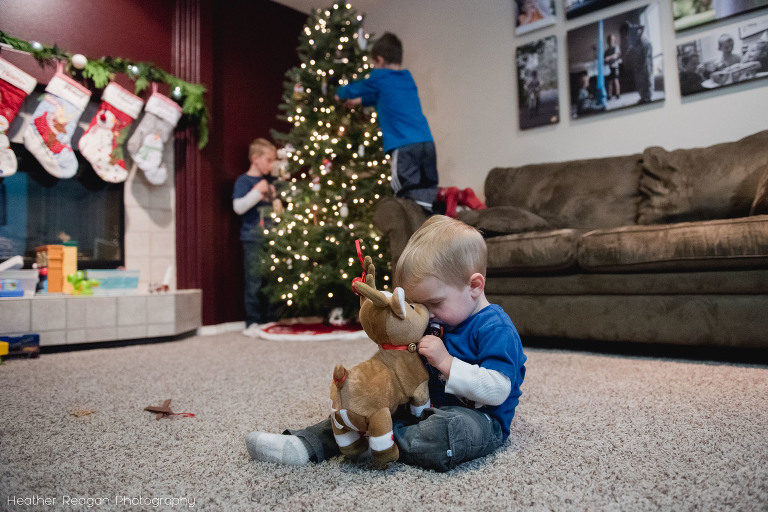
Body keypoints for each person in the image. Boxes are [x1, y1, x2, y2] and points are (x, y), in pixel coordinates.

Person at [245, 215, 527, 472]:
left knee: (447, 433)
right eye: (419, 305)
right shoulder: (438, 319)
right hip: (418, 403)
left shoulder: (495, 328)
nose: (426, 312)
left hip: (480, 421)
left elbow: (498, 389)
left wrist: (446, 363)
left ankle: (377, 439)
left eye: (434, 303)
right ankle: (305, 444)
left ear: (475, 286)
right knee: (361, 406)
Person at [335, 32, 485, 217]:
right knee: (427, 190)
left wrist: (339, 93)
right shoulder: (407, 78)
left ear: (380, 60)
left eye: (374, 64)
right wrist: (360, 102)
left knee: (404, 195)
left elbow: (353, 89)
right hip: (426, 143)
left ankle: (444, 195)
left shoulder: (379, 77)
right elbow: (383, 96)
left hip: (404, 146)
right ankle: (460, 196)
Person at [233, 138, 279, 335]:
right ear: (255, 158)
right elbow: (238, 207)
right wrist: (256, 192)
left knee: (270, 279)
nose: (271, 165)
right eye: (268, 160)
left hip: (271, 237)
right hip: (252, 237)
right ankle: (253, 321)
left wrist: (274, 198)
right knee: (254, 279)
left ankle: (269, 320)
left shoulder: (270, 184)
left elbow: (278, 212)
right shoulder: (244, 181)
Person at [604, 33, 622, 100]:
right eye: (609, 40)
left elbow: (616, 55)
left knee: (615, 80)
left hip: (615, 66)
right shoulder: (606, 51)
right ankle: (609, 95)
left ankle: (617, 94)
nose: (610, 41)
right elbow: (604, 60)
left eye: (612, 39)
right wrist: (605, 62)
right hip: (608, 68)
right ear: (607, 41)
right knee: (609, 82)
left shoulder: (616, 47)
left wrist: (608, 58)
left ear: (614, 40)